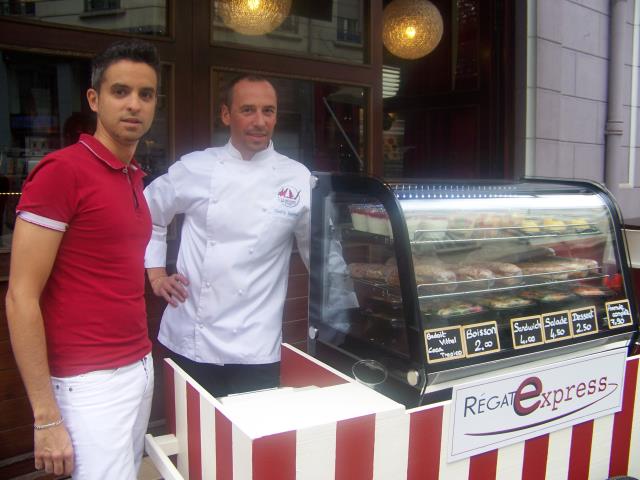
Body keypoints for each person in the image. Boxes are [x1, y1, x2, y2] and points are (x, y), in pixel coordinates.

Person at [6, 39, 159, 479]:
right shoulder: (63, 172)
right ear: (94, 98)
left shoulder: (132, 175)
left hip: (137, 365)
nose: (134, 105)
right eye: (120, 91)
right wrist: (46, 417)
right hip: (88, 381)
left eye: (145, 94)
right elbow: (20, 297)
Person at [144, 74, 310, 397]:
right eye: (248, 110)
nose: (260, 121)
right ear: (225, 115)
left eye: (269, 111)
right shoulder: (196, 167)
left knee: (250, 440)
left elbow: (316, 250)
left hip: (257, 343)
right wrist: (155, 273)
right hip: (191, 338)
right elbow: (148, 213)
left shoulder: (297, 178)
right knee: (194, 440)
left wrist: (344, 305)